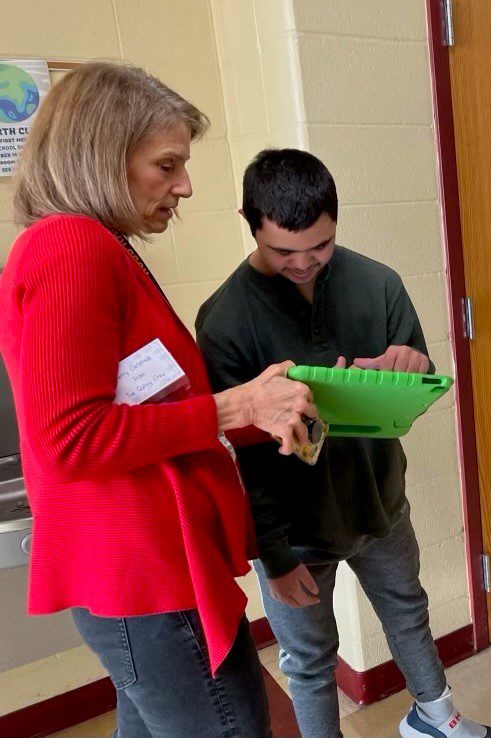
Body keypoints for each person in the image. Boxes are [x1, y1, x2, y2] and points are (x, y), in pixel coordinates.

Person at [0, 62, 320, 737]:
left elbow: (149, 407)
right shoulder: (71, 249)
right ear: (101, 157)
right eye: (166, 164)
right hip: (141, 571)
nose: (185, 186)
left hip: (141, 570)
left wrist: (262, 406)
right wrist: (236, 409)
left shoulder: (95, 248)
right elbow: (72, 435)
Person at [196, 148, 491, 738]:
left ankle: (435, 717)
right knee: (308, 660)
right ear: (250, 222)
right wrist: (275, 560)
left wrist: (411, 367)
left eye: (321, 246)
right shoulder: (225, 319)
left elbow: (417, 385)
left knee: (408, 612)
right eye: (285, 251)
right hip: (294, 531)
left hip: (380, 503)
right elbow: (244, 459)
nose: (305, 264)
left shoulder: (378, 283)